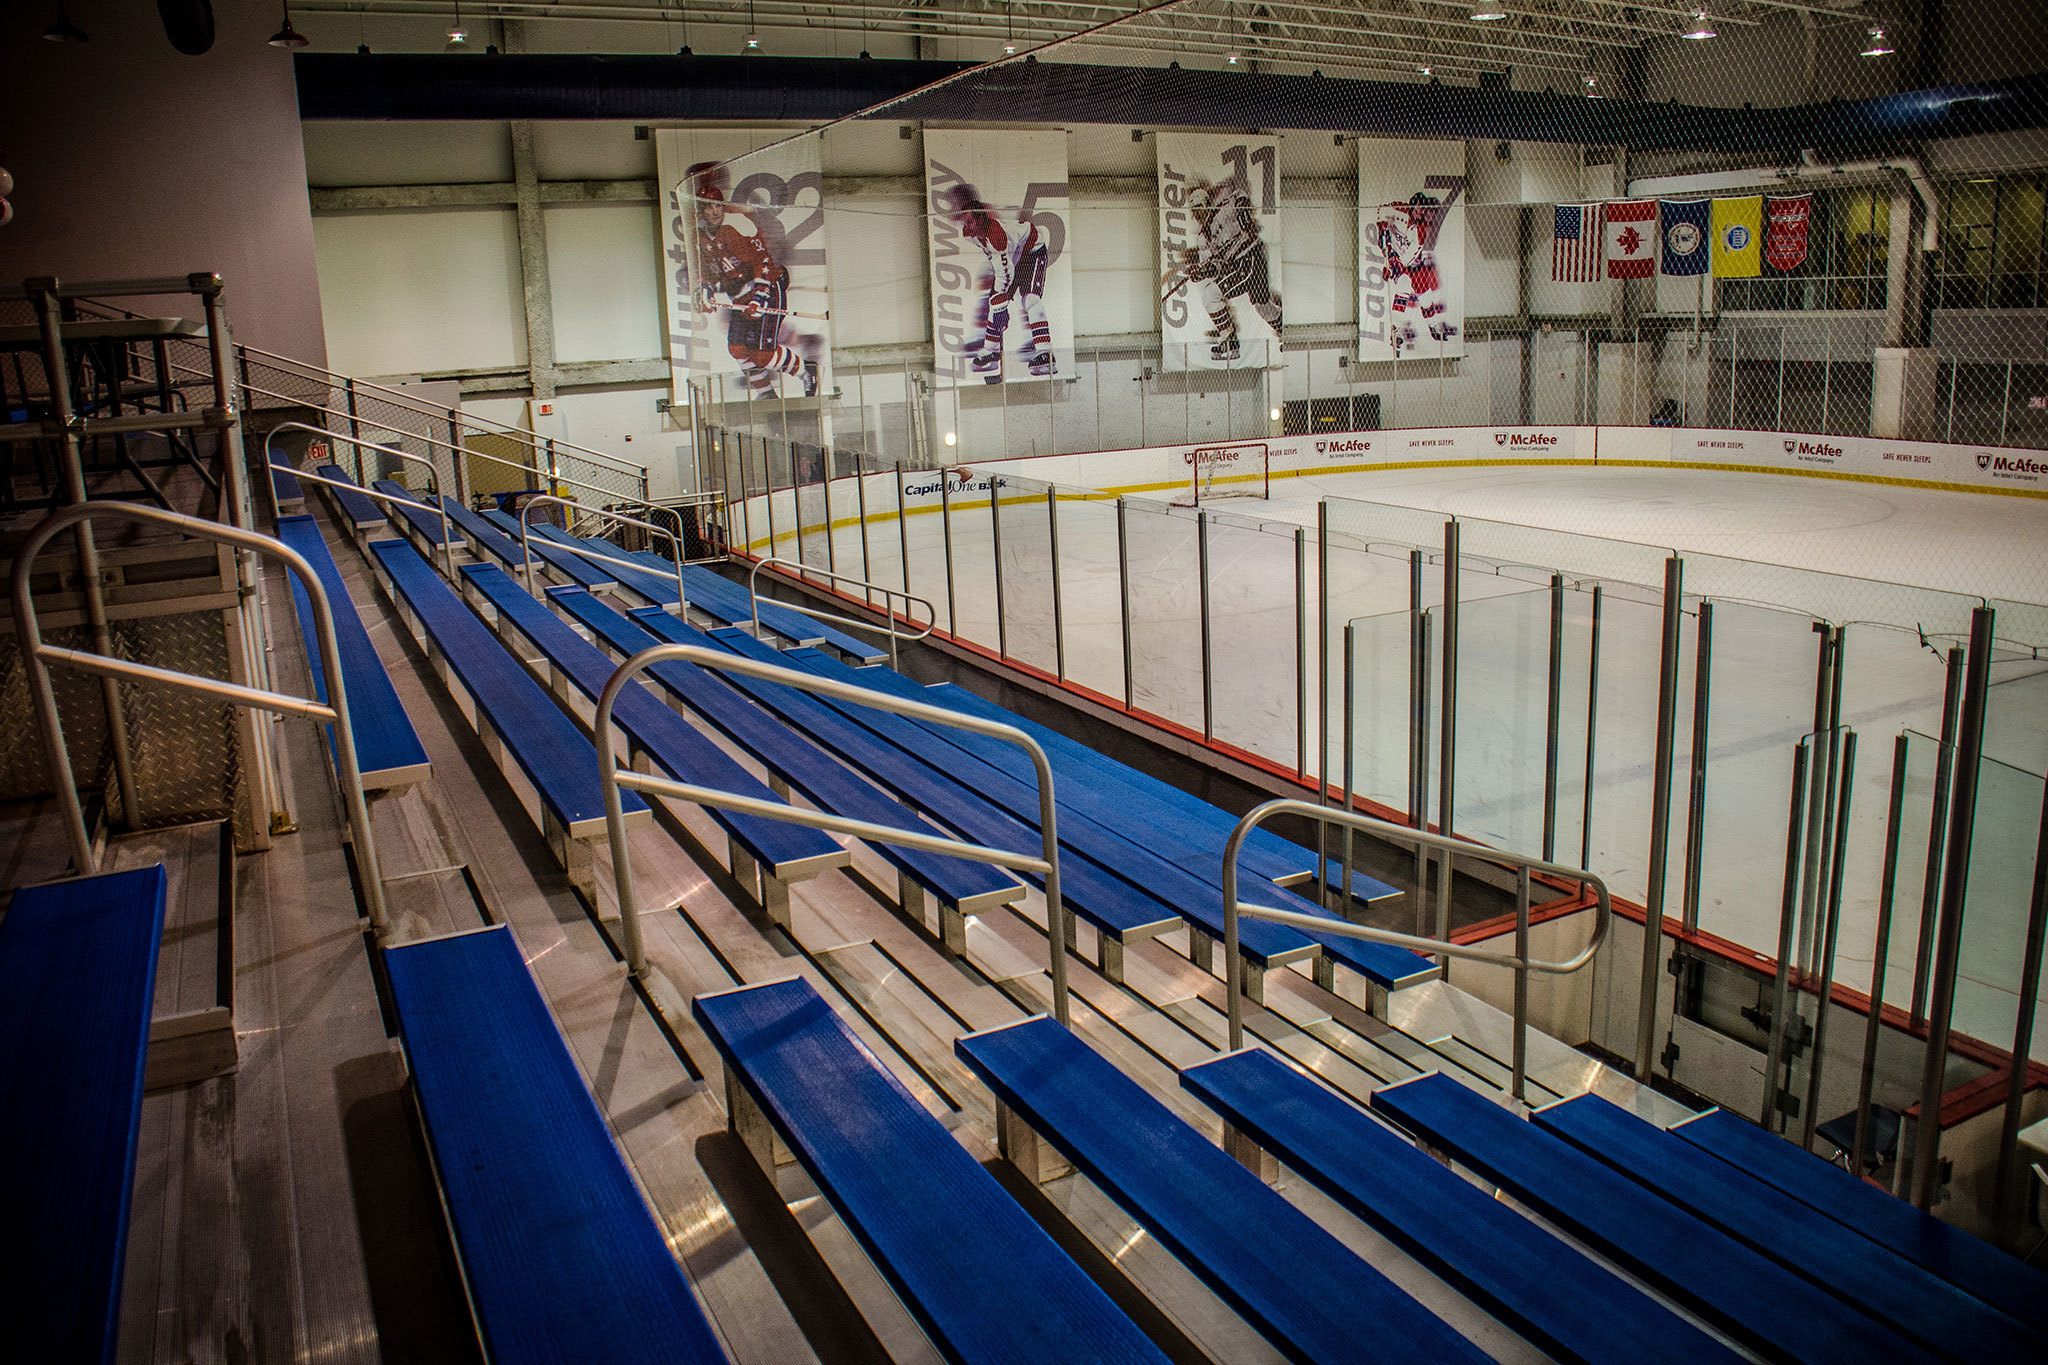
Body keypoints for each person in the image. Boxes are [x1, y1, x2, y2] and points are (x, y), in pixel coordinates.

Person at [688, 160, 819, 398]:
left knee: (761, 354)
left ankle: (805, 370)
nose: (714, 211)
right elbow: (707, 272)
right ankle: (766, 394)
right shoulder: (702, 239)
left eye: (717, 206)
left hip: (768, 288)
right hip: (741, 296)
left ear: (723, 207)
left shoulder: (735, 228)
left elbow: (763, 262)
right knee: (737, 349)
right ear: (702, 211)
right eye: (708, 208)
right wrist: (705, 290)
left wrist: (760, 296)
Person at [1172, 175, 1282, 362]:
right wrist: (1199, 272)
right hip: (1238, 266)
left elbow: (1240, 196)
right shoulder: (1203, 239)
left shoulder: (1223, 211)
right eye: (1194, 212)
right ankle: (1284, 328)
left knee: (1211, 294)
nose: (1197, 215)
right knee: (1262, 307)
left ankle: (1229, 341)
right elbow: (1214, 267)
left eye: (1199, 209)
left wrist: (1245, 218)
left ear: (1207, 205)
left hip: (1251, 258)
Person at [952, 187, 1056, 382]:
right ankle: (990, 351)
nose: (967, 225)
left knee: (1030, 299)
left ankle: (1046, 354)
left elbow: (1005, 275)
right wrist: (1000, 305)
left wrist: (1001, 308)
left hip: (1032, 250)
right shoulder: (970, 233)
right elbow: (1001, 267)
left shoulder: (996, 236)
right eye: (965, 221)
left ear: (982, 219)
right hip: (1013, 253)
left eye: (970, 221)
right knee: (995, 300)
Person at [1375, 192, 1458, 353]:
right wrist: (1382, 229)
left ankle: (1433, 324)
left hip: (1412, 263)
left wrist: (1392, 267)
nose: (1419, 214)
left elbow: (1409, 256)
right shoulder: (1399, 209)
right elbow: (1381, 212)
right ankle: (1396, 329)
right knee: (1403, 288)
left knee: (1424, 296)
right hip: (1397, 258)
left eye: (1422, 212)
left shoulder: (1421, 230)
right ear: (1412, 206)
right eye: (1417, 210)